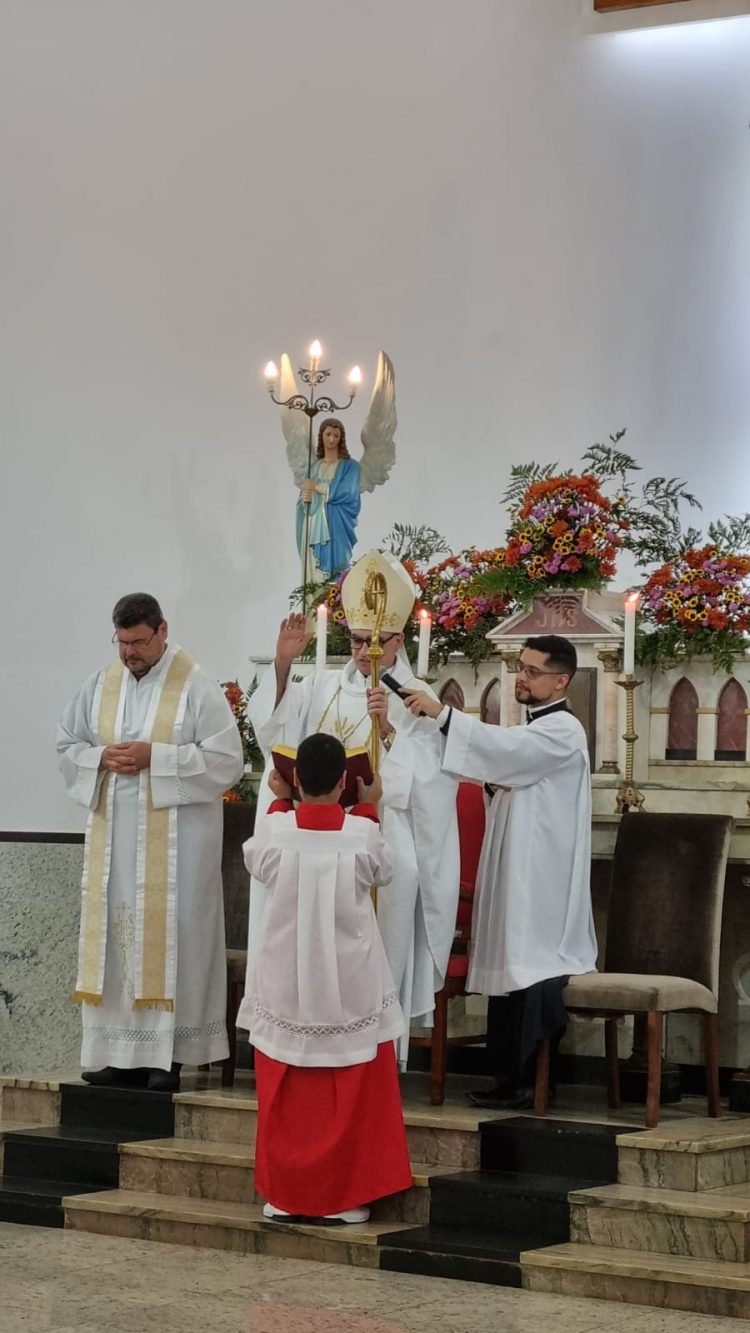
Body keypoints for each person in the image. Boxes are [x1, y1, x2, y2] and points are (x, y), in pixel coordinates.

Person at [247, 549, 460, 1065]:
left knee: (402, 872)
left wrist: (389, 728)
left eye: (377, 642)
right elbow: (274, 732)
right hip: (311, 833)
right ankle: (294, 1037)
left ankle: (376, 1044)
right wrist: (282, 665)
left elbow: (434, 778)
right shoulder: (318, 685)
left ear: (398, 641)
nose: (366, 652)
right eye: (359, 641)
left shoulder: (416, 694)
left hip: (377, 834)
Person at [57, 593, 244, 1091]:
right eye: (121, 643)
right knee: (119, 945)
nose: (129, 653)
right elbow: (66, 745)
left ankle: (170, 1057)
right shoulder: (100, 686)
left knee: (174, 943)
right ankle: (120, 1053)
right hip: (115, 857)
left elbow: (228, 762)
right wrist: (99, 759)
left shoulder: (196, 689)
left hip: (179, 855)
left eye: (138, 642)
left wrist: (155, 758)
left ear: (162, 631)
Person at [403, 634, 598, 1109]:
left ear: (561, 680)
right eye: (521, 668)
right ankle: (510, 1077)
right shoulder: (531, 727)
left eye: (533, 672)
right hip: (517, 868)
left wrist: (442, 714)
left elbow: (507, 753)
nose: (522, 679)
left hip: (542, 877)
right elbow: (501, 760)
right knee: (512, 962)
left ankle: (533, 1079)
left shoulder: (564, 730)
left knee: (532, 966)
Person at [238, 733, 412, 1222]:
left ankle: (286, 1195)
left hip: (286, 979)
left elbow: (258, 855)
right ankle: (345, 1197)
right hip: (348, 981)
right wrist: (371, 805)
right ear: (343, 782)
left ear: (295, 779)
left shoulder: (275, 831)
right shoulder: (362, 833)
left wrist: (277, 798)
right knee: (351, 1084)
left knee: (285, 1086)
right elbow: (384, 871)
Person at [296, 418, 361, 581]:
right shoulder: (314, 467)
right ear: (321, 436)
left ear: (342, 439)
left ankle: (334, 602)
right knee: (314, 572)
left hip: (337, 523)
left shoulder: (351, 466)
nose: (332, 439)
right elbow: (303, 500)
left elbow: (348, 492)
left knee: (338, 568)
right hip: (313, 524)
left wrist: (316, 488)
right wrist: (305, 500)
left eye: (336, 436)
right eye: (328, 434)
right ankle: (313, 604)